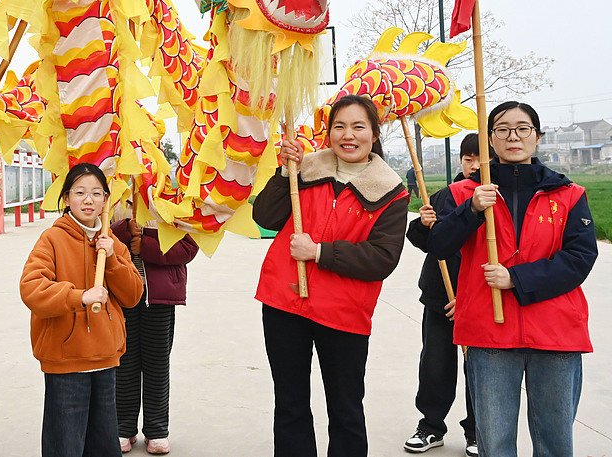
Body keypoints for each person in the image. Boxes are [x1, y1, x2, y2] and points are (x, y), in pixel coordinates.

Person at [427, 102, 597, 457]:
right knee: (495, 441)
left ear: (537, 136)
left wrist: (516, 279)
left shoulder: (569, 195)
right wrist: (471, 210)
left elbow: (580, 258)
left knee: (555, 440)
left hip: (555, 333)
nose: (513, 136)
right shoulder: (464, 194)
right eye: (502, 129)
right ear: (491, 139)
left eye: (523, 128)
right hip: (489, 335)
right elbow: (440, 245)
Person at [252, 94, 409, 457]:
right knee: (289, 404)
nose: (347, 135)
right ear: (328, 132)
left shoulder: (390, 190)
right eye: (339, 126)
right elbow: (265, 217)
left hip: (344, 313)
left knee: (346, 408)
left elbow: (382, 258)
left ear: (374, 133)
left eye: (358, 126)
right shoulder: (305, 169)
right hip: (284, 303)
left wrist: (319, 252)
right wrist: (282, 173)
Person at [20, 163, 144, 457]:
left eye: (96, 193)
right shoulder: (52, 239)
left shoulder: (110, 243)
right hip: (66, 359)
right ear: (66, 198)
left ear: (105, 200)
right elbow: (31, 288)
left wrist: (112, 258)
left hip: (105, 357)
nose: (88, 200)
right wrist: (79, 297)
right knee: (66, 444)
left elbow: (133, 295)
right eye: (80, 192)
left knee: (103, 445)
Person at [404, 134, 482, 456]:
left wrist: (468, 296)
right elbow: (423, 241)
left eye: (481, 160)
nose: (474, 166)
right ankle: (431, 427)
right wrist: (423, 225)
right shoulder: (442, 196)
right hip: (440, 298)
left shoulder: (499, 200)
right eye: (468, 159)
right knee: (435, 364)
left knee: (478, 368)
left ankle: (478, 430)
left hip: (479, 301)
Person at [110, 215, 198, 454]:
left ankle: (157, 429)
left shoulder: (175, 203)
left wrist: (146, 246)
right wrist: (124, 229)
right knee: (123, 363)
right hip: (122, 295)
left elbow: (189, 247)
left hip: (159, 298)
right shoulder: (114, 198)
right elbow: (99, 240)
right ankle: (123, 426)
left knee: (157, 365)